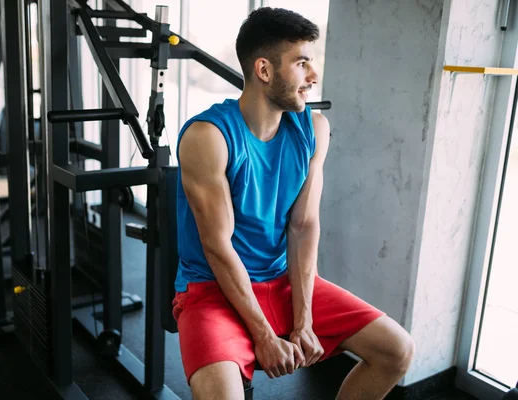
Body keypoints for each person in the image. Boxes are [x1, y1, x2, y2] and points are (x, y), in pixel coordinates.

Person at [173, 7, 415, 400]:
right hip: (211, 288)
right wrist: (265, 336)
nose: (314, 77)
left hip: (282, 280)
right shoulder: (208, 137)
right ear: (264, 70)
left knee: (396, 351)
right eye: (302, 63)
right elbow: (218, 247)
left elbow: (303, 227)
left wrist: (303, 321)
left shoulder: (315, 130)